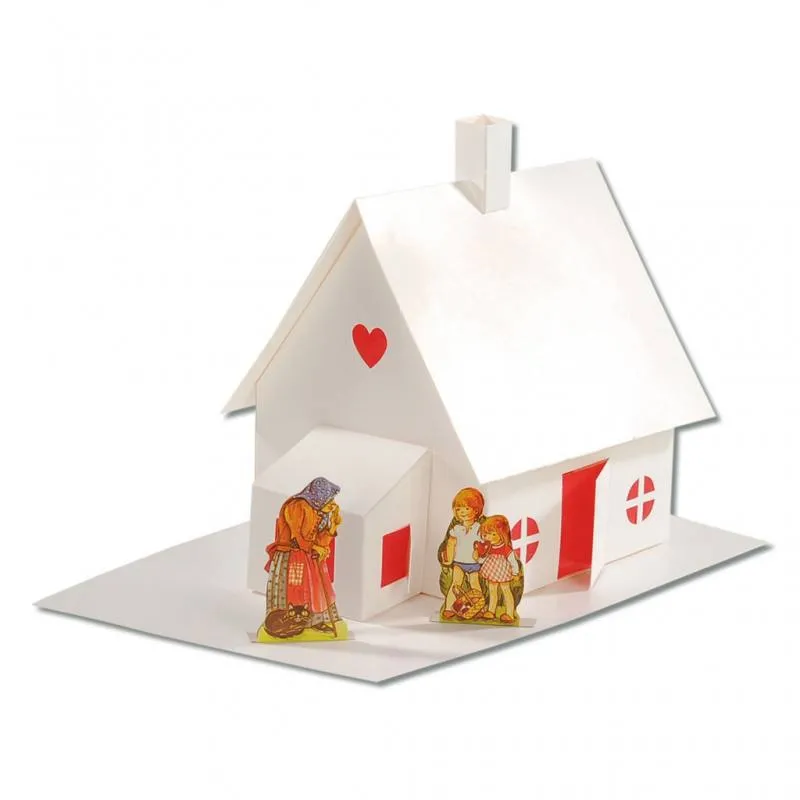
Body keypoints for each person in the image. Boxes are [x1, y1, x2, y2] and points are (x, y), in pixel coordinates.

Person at [265, 477, 343, 633]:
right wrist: (315, 547)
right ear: (320, 495)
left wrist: (332, 525)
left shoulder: (319, 511)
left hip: (309, 556)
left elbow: (321, 541)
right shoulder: (297, 506)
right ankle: (289, 622)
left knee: (317, 587)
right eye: (329, 499)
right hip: (292, 555)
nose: (332, 503)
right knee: (296, 588)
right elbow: (298, 538)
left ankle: (315, 621)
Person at [439, 488, 485, 619]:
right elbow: (451, 543)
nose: (462, 512)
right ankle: (449, 608)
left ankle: (480, 608)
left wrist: (480, 556)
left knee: (475, 586)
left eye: (466, 508)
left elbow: (483, 546)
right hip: (458, 563)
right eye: (458, 509)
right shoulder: (456, 529)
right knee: (455, 584)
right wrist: (449, 559)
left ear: (475, 510)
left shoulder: (479, 528)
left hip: (474, 563)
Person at [474, 515, 520, 623]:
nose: (489, 537)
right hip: (491, 571)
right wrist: (477, 559)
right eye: (486, 534)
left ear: (502, 534)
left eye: (493, 534)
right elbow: (484, 558)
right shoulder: (489, 547)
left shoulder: (506, 548)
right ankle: (491, 611)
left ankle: (510, 613)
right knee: (492, 590)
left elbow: (513, 561)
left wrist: (515, 572)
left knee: (506, 590)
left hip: (503, 572)